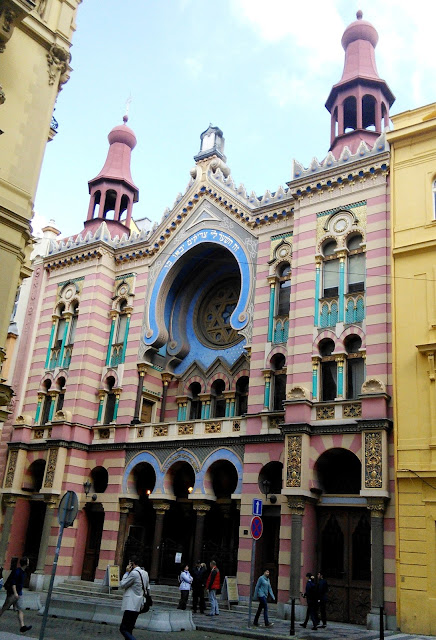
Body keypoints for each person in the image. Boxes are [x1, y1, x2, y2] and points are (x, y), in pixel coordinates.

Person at [119, 556, 150, 640]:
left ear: (132, 564)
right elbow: (147, 587)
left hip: (131, 603)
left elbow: (123, 584)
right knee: (130, 628)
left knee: (123, 628)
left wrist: (126, 573)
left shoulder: (134, 573)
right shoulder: (145, 573)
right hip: (139, 603)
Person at [0, 556, 32, 633]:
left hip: (19, 594)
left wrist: (18, 594)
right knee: (4, 608)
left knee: (20, 610)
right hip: (13, 594)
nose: (29, 563)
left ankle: (22, 626)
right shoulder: (17, 571)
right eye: (28, 561)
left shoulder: (23, 572)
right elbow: (13, 583)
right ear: (25, 563)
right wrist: (15, 593)